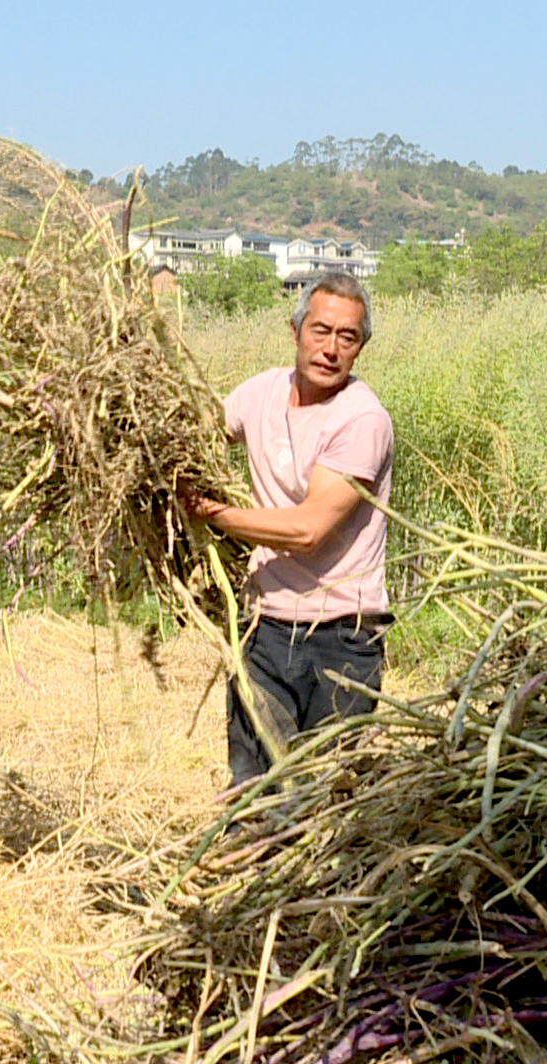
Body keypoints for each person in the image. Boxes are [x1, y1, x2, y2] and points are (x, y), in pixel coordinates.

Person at [184, 271, 394, 786]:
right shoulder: (262, 393)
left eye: (347, 337)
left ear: (361, 348)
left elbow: (307, 530)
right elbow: (197, 429)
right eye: (320, 331)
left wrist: (212, 513)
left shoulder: (361, 419)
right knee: (253, 789)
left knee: (328, 801)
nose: (330, 349)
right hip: (265, 630)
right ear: (295, 331)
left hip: (342, 638)